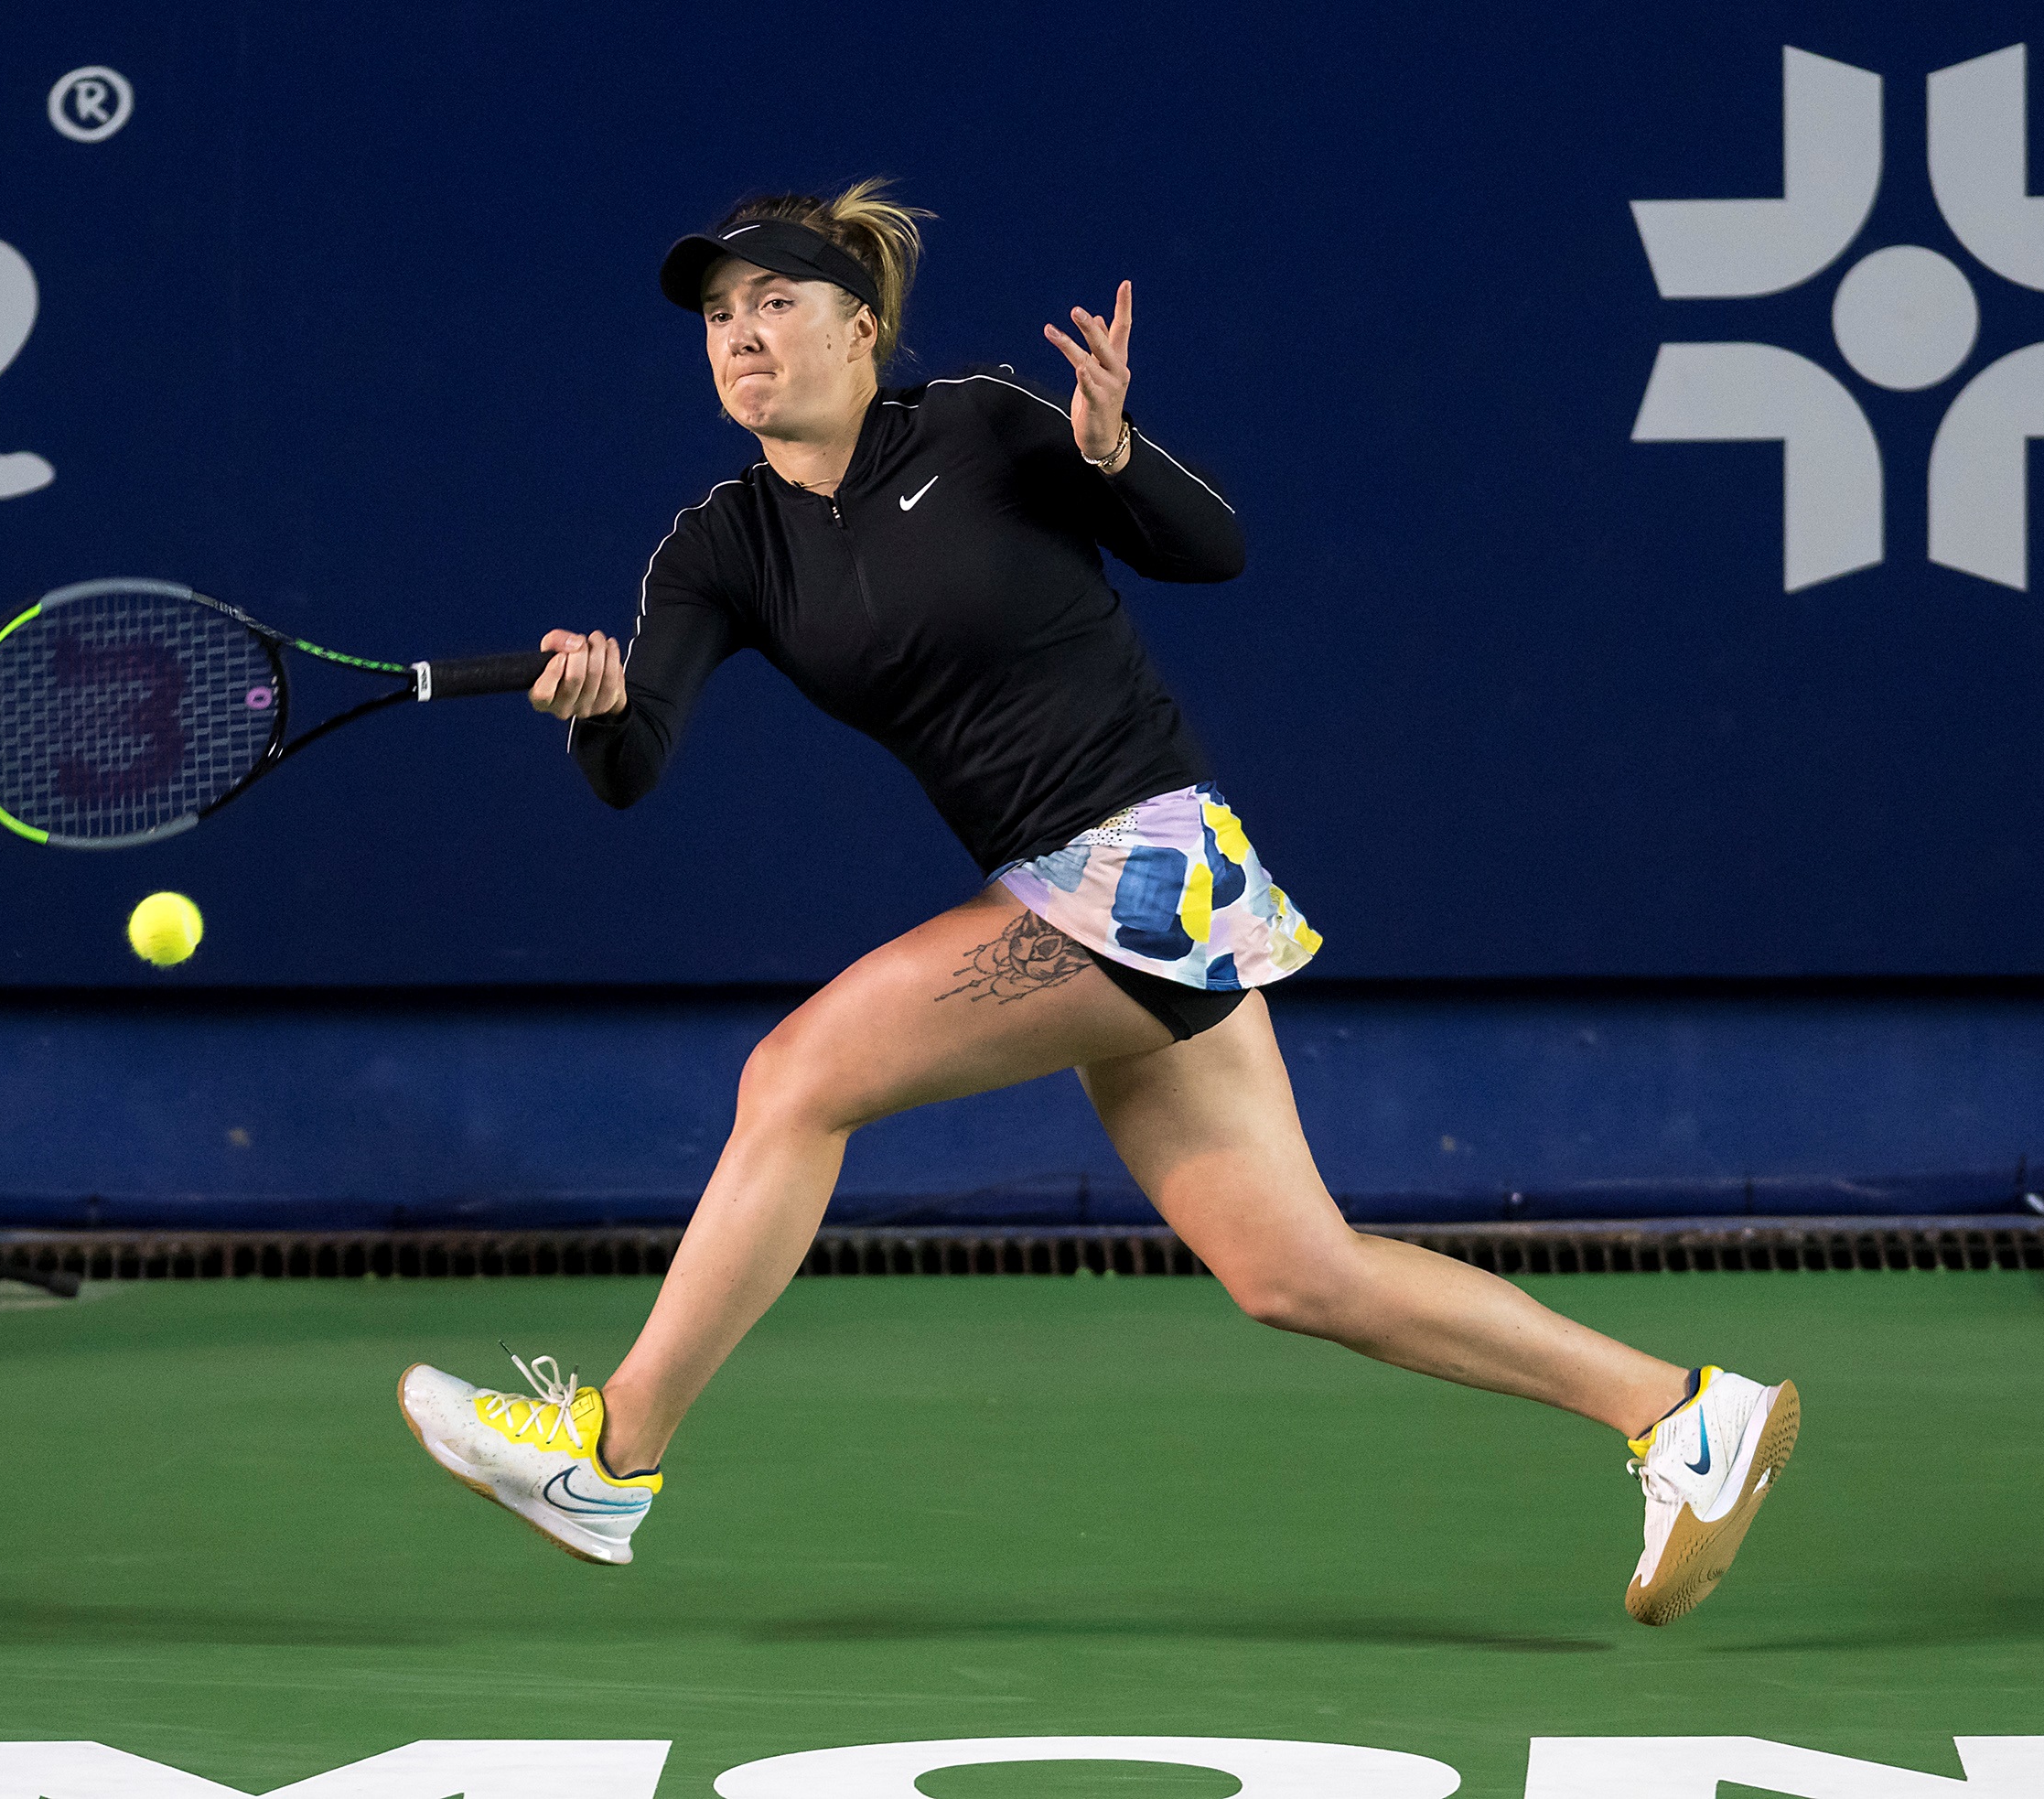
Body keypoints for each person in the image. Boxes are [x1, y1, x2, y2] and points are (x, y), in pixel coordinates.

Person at [397, 179, 1799, 1625]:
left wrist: (1115, 453)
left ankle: (613, 1453)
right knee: (1295, 1270)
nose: (740, 336)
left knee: (796, 1075)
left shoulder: (986, 425)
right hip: (1059, 892)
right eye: (717, 317)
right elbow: (635, 765)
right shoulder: (720, 549)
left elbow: (1214, 549)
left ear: (860, 327)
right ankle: (1682, 1416)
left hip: (1147, 857)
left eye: (775, 303)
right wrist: (592, 704)